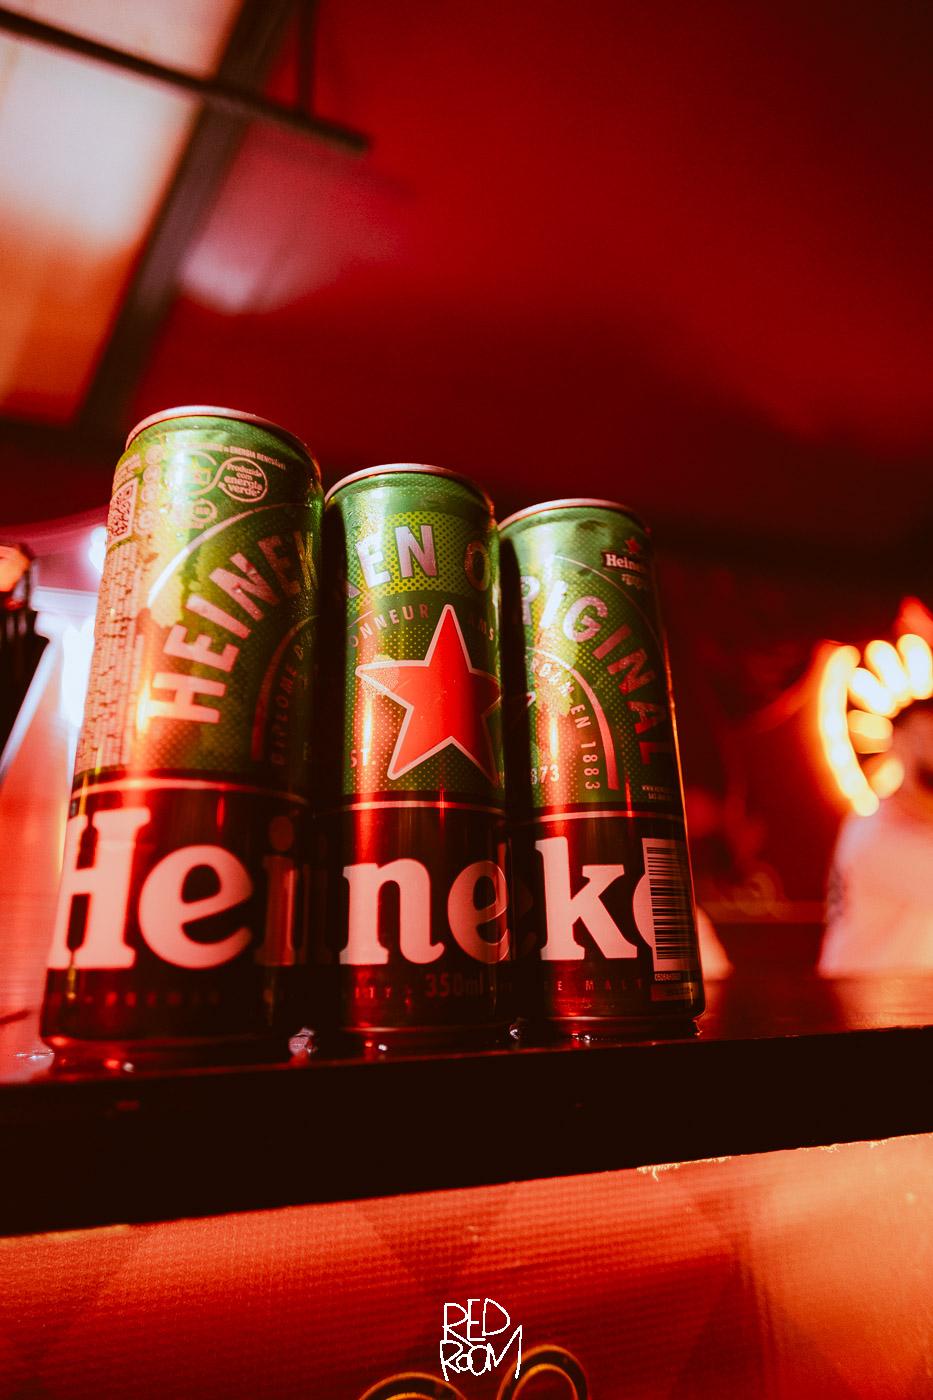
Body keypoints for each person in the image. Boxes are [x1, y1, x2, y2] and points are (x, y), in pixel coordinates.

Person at [820, 701, 933, 973]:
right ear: (898, 742)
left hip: (905, 992)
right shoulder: (873, 832)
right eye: (926, 735)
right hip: (863, 990)